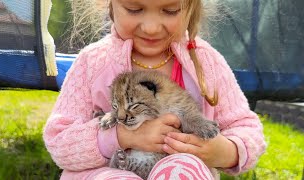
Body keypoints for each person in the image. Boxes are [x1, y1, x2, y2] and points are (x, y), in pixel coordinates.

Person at [43, 0, 267, 179]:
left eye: (170, 10)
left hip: (180, 170)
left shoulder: (206, 62)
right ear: (108, 4)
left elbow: (247, 129)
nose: (151, 27)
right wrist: (119, 137)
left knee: (182, 169)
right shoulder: (92, 63)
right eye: (134, 9)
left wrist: (225, 152)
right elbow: (59, 141)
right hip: (104, 173)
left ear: (192, 7)